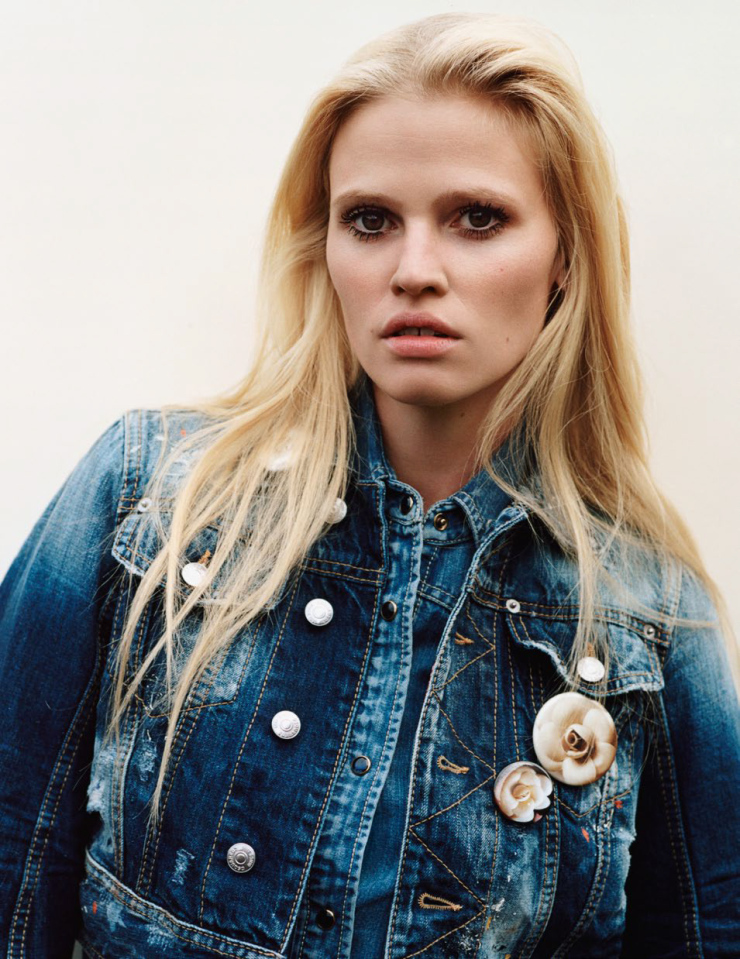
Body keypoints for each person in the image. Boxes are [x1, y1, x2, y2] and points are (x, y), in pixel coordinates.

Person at [1, 11, 738, 958]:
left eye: (478, 218)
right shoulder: (149, 496)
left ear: (565, 256)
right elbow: (14, 849)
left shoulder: (648, 610)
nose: (414, 271)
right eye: (370, 220)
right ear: (326, 247)